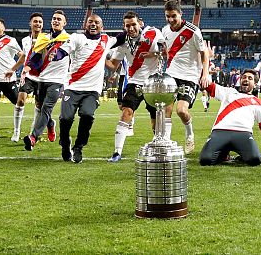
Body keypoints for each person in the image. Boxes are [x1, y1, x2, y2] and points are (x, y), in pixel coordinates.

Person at [51, 14, 119, 163]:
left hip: (92, 90)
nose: (93, 24)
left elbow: (123, 37)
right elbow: (64, 50)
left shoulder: (106, 40)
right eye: (90, 22)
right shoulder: (77, 38)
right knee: (66, 118)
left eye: (96, 22)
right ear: (85, 25)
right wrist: (56, 55)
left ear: (102, 27)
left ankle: (78, 147)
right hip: (73, 87)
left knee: (87, 115)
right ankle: (65, 143)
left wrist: (139, 28)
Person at [106, 11, 162, 162]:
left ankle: (158, 147)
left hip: (153, 82)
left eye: (133, 24)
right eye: (127, 26)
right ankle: (117, 152)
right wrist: (100, 57)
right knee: (126, 112)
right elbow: (113, 65)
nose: (131, 28)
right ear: (124, 27)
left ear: (140, 23)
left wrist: (153, 54)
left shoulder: (153, 33)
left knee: (155, 117)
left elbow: (166, 52)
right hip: (134, 82)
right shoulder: (123, 43)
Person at [199, 69, 261, 167]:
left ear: (255, 84)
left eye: (250, 78)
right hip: (220, 131)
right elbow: (208, 85)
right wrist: (202, 71)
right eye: (244, 77)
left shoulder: (259, 103)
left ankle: (233, 153)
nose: (246, 79)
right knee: (205, 160)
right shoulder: (228, 92)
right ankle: (224, 154)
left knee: (255, 160)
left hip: (243, 133)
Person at [161, 0, 210, 154]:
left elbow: (204, 54)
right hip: (171, 75)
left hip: (189, 76)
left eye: (173, 16)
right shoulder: (165, 31)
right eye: (167, 16)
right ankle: (166, 142)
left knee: (181, 110)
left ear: (180, 14)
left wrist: (205, 73)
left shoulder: (193, 31)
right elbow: (167, 52)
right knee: (166, 109)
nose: (170, 20)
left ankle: (189, 135)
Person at [24, 10, 70, 151]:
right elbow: (37, 55)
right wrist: (28, 66)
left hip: (57, 80)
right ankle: (50, 124)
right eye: (54, 18)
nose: (56, 21)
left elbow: (61, 53)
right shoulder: (43, 37)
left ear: (64, 23)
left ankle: (33, 137)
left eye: (59, 19)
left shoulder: (68, 39)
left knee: (46, 107)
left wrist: (54, 55)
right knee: (41, 106)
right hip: (42, 79)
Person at [16, 12, 45, 142]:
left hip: (42, 77)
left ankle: (33, 132)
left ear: (42, 25)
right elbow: (24, 57)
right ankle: (16, 132)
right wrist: (14, 69)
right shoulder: (25, 40)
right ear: (30, 23)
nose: (37, 23)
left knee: (39, 105)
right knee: (21, 100)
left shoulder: (46, 39)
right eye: (35, 21)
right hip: (28, 75)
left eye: (39, 22)